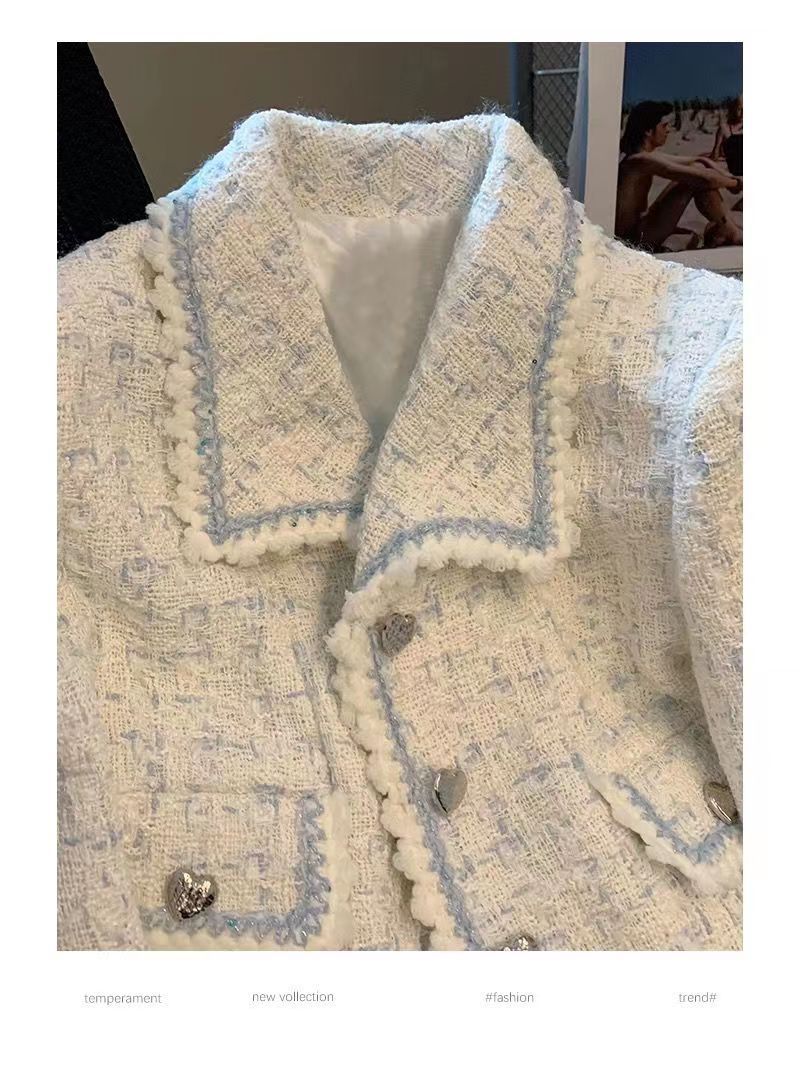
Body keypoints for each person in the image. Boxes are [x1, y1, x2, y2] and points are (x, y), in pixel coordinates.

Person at [615, 100, 743, 252]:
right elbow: (704, 179)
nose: (668, 130)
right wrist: (735, 184)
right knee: (693, 181)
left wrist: (729, 176)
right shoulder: (640, 160)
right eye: (664, 126)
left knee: (690, 235)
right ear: (648, 131)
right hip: (634, 238)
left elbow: (699, 160)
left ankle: (725, 228)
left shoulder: (643, 156)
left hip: (641, 227)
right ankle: (733, 232)